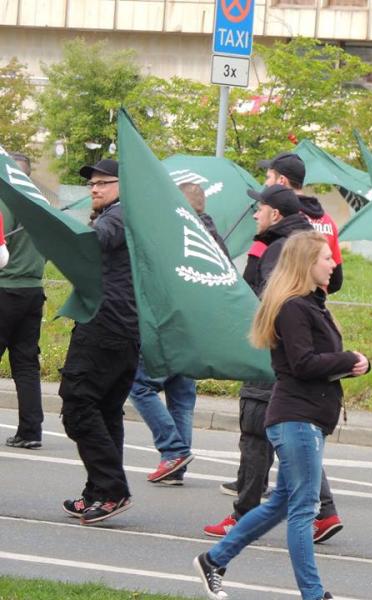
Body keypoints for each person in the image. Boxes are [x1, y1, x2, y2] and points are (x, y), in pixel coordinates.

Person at [194, 230, 369, 600]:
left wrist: (352, 364)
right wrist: (349, 358)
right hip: (296, 418)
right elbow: (303, 364)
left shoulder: (311, 304)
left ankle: (213, 560)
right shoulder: (293, 307)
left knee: (282, 504)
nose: (333, 263)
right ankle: (313, 594)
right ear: (308, 264)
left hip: (306, 417)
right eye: (326, 258)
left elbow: (313, 362)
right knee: (304, 510)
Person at [205, 185, 342, 544]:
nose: (254, 213)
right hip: (287, 358)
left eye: (259, 207)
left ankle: (244, 517)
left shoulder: (283, 248)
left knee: (257, 425)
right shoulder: (293, 241)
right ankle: (323, 513)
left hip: (272, 355)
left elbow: (266, 300)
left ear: (275, 214)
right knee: (293, 434)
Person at [128, 183, 229, 486]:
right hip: (199, 332)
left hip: (171, 327)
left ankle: (173, 451)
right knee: (181, 398)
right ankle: (176, 465)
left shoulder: (179, 234)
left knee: (140, 386)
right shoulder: (215, 239)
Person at [60, 159, 140, 525]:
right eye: (92, 183)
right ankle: (99, 492)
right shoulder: (119, 215)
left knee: (77, 403)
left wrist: (53, 229)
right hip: (119, 325)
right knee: (105, 411)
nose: (95, 188)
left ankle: (111, 490)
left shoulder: (118, 217)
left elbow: (95, 242)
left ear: (123, 186)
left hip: (106, 326)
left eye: (104, 182)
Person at [1, 153, 46, 449]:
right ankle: (31, 430)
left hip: (5, 289)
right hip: (33, 289)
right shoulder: (41, 202)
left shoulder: (7, 201)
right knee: (26, 363)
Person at [258, 152, 343, 293]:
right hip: (316, 307)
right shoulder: (328, 221)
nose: (266, 183)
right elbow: (335, 281)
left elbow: (262, 273)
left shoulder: (281, 218)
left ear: (282, 181)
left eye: (268, 177)